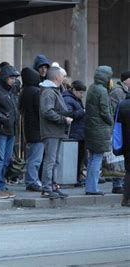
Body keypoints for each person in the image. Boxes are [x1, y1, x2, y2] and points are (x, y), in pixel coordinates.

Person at [39, 66, 73, 199]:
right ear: (57, 77)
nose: (64, 78)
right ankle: (47, 188)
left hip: (56, 131)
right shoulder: (49, 92)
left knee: (55, 160)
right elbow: (47, 111)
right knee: (50, 160)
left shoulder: (53, 90)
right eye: (62, 76)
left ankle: (52, 186)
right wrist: (63, 119)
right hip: (51, 131)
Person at [0, 64, 20, 199]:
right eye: (11, 78)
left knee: (6, 159)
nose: (13, 80)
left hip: (10, 129)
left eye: (14, 78)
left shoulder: (10, 90)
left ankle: (1, 185)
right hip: (2, 129)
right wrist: (2, 118)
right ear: (4, 77)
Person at [84, 66, 114, 196]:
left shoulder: (92, 87)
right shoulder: (102, 91)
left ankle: (89, 187)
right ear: (106, 77)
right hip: (100, 129)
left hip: (91, 128)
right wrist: (111, 121)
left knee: (92, 158)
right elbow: (104, 111)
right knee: (97, 158)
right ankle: (93, 188)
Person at [20, 67, 44, 192]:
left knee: (31, 157)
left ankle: (31, 180)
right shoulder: (36, 91)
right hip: (37, 130)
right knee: (36, 158)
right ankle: (32, 181)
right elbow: (40, 111)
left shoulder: (24, 91)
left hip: (28, 129)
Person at [109, 71, 130, 194]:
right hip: (120, 128)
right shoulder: (118, 91)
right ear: (126, 80)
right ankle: (117, 184)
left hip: (121, 128)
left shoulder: (122, 90)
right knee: (118, 160)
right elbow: (116, 111)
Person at [63, 80, 87, 186]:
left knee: (80, 158)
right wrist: (83, 111)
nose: (82, 95)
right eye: (80, 92)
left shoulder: (75, 99)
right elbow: (69, 114)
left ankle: (78, 177)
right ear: (73, 90)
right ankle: (75, 178)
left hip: (79, 133)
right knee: (76, 158)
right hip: (74, 134)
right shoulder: (68, 99)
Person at [116, 93, 130, 207]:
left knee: (129, 171)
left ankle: (126, 199)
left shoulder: (122, 104)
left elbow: (117, 124)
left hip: (126, 143)